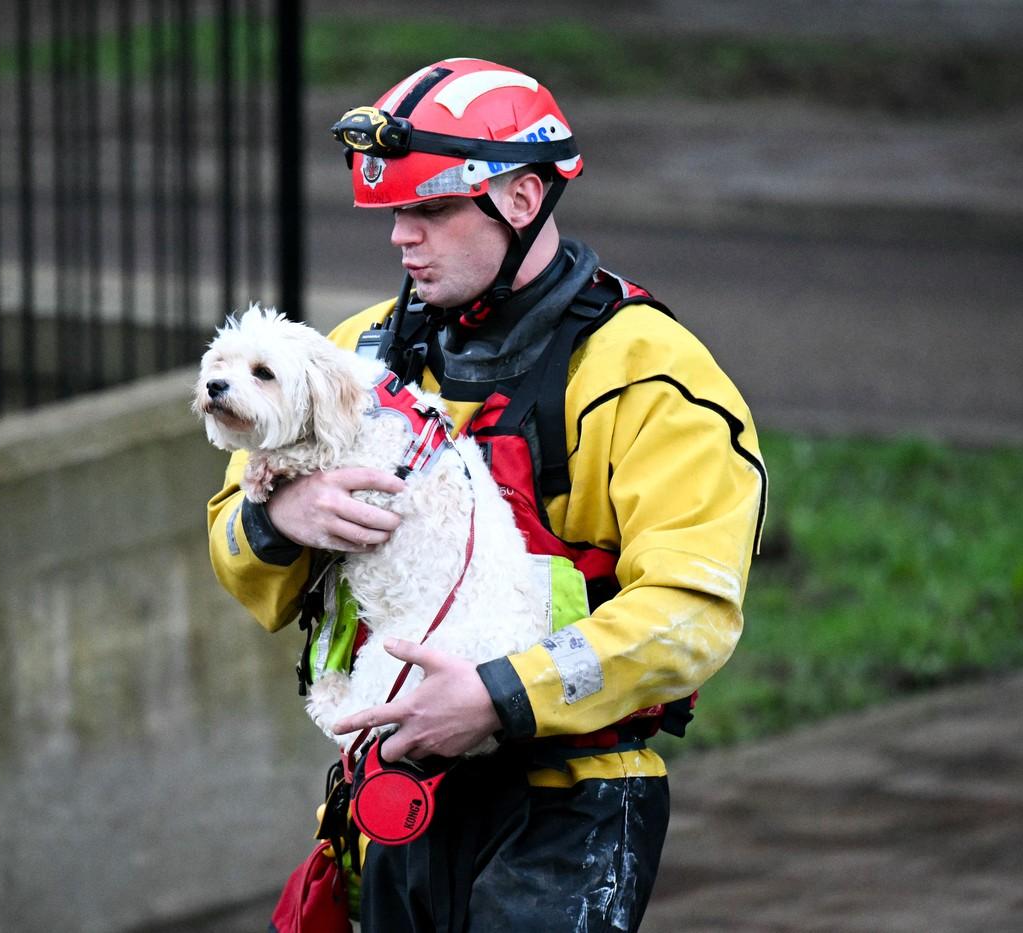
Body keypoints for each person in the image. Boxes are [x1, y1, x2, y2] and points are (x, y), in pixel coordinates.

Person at [207, 58, 767, 932]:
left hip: (566, 806)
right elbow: (237, 552)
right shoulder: (355, 357)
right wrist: (277, 517)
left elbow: (691, 610)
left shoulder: (649, 374)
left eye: (430, 209)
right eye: (396, 213)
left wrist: (500, 694)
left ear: (519, 199)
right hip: (391, 799)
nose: (402, 238)